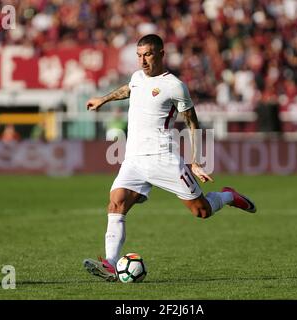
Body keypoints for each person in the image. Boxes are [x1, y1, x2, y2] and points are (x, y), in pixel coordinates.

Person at [83, 34, 257, 282]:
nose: (143, 61)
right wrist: (103, 99)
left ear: (162, 54)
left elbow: (192, 122)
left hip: (163, 158)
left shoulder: (174, 85)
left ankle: (229, 196)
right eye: (139, 55)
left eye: (148, 55)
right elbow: (128, 90)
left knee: (202, 212)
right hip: (133, 158)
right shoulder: (136, 77)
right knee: (116, 203)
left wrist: (195, 160)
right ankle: (111, 263)